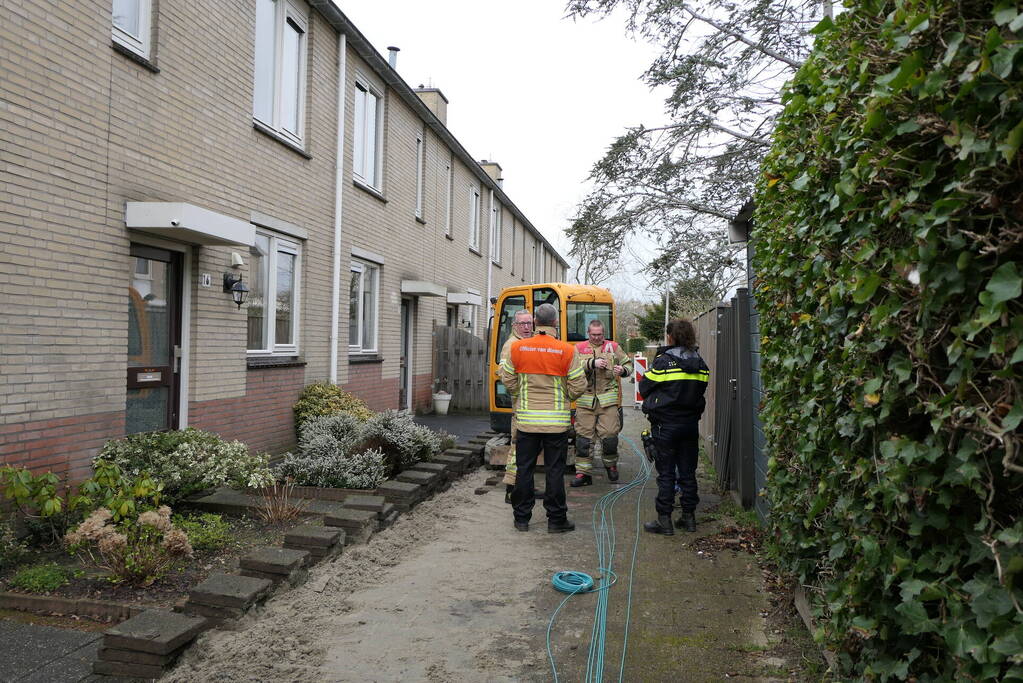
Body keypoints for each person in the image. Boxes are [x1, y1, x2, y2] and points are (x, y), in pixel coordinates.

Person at [499, 303, 587, 533]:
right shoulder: (567, 350)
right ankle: (556, 520)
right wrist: (565, 396)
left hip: (527, 421)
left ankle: (521, 519)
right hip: (556, 424)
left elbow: (505, 376)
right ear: (556, 323)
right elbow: (579, 385)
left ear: (535, 322)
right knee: (554, 471)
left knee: (524, 469)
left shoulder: (518, 348)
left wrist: (519, 393)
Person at [638, 319, 710, 535]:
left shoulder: (664, 361)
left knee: (666, 473)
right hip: (689, 425)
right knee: (688, 473)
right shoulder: (700, 362)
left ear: (671, 336)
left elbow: (644, 386)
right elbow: (701, 388)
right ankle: (689, 519)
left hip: (666, 426)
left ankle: (664, 521)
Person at [570, 320, 633, 487]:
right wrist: (591, 363)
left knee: (610, 437)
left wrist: (623, 370)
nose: (597, 338)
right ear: (588, 334)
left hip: (608, 402)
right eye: (593, 335)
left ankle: (611, 466)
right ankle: (582, 474)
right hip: (585, 401)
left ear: (603, 334)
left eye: (599, 335)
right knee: (583, 440)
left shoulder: (613, 347)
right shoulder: (578, 348)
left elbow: (628, 364)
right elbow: (571, 368)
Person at [500, 309, 534, 504]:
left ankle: (522, 486)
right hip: (521, 405)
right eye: (522, 324)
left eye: (529, 323)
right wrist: (522, 392)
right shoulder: (511, 345)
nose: (527, 327)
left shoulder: (529, 342)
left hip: (532, 406)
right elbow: (505, 375)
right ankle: (511, 489)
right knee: (517, 446)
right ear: (514, 326)